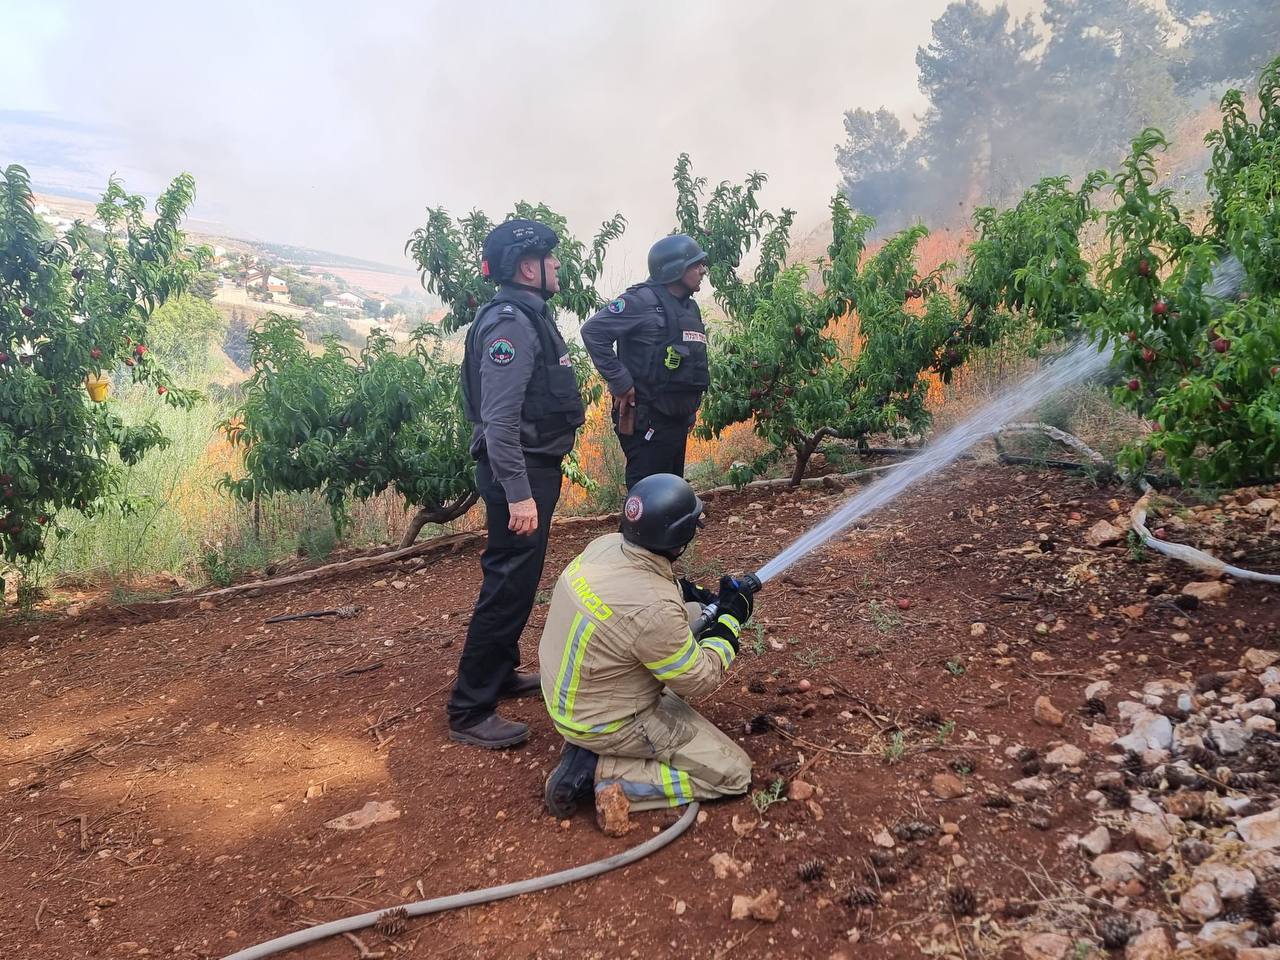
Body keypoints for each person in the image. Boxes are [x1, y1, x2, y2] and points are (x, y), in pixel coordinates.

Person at [537, 473, 755, 821]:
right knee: (733, 774)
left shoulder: (608, 545)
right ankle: (595, 773)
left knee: (695, 612)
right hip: (602, 721)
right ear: (679, 536)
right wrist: (730, 619)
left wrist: (697, 595)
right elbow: (700, 680)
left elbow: (650, 592)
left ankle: (593, 748)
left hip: (570, 692)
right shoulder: (652, 609)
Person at [447, 219, 586, 749]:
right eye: (550, 259)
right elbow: (501, 420)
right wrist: (521, 494)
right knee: (507, 585)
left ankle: (500, 674)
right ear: (529, 267)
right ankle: (469, 708)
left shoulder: (528, 316)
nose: (557, 267)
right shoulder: (512, 324)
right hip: (518, 472)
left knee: (519, 581)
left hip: (527, 468)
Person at [581, 235, 710, 489]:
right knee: (647, 499)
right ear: (675, 269)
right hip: (647, 420)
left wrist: (690, 409)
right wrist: (620, 380)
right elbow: (593, 332)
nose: (702, 270)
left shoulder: (689, 309)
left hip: (676, 419)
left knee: (671, 495)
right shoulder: (640, 301)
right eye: (696, 264)